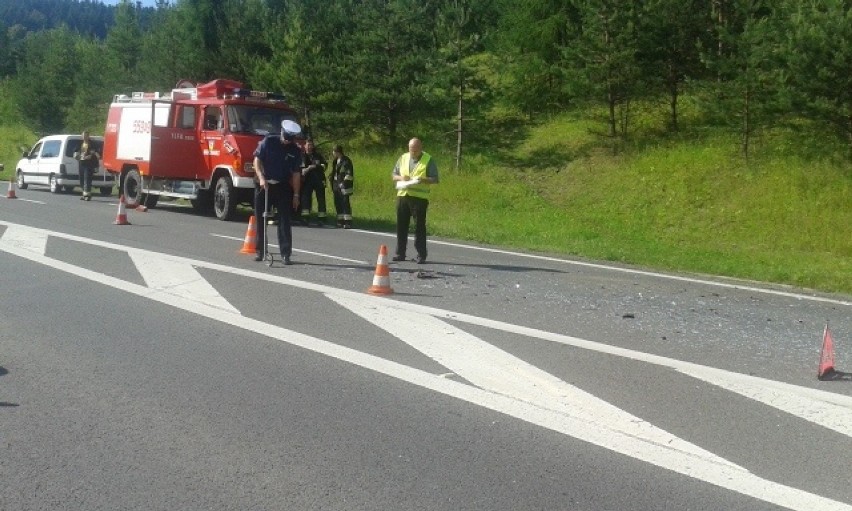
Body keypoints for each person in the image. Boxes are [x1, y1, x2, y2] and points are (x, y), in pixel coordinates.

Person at [253, 120, 303, 265]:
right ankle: (261, 251)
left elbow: (296, 174)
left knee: (284, 220)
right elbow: (257, 160)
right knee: (261, 218)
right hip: (264, 184)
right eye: (285, 138)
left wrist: (296, 195)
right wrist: (261, 177)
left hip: (281, 185)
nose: (287, 142)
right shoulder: (269, 141)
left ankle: (285, 254)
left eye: (290, 140)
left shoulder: (295, 150)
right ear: (282, 133)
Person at [391, 137, 438, 264]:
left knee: (419, 227)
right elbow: (393, 175)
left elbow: (435, 179)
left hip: (419, 199)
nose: (413, 153)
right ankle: (400, 253)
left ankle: (421, 255)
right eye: (411, 150)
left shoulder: (428, 159)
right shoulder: (403, 157)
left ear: (420, 148)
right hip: (403, 195)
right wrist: (402, 177)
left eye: (416, 150)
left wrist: (423, 179)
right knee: (401, 226)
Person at [298, 139, 328, 226]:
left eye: (311, 145)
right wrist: (305, 170)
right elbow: (299, 168)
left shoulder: (318, 156)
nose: (310, 147)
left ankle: (322, 219)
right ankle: (305, 218)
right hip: (307, 181)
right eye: (308, 145)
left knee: (321, 199)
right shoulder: (302, 156)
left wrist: (314, 166)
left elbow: (324, 165)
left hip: (318, 180)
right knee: (305, 199)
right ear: (305, 146)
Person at [329, 144, 354, 229]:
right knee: (337, 203)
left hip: (344, 186)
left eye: (333, 151)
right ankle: (340, 221)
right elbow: (335, 172)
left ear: (337, 152)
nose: (333, 153)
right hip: (336, 184)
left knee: (345, 203)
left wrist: (343, 183)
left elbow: (349, 174)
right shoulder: (336, 161)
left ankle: (348, 222)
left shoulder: (346, 161)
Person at [77, 130, 100, 201]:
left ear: (88, 136)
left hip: (89, 164)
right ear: (82, 136)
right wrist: (76, 154)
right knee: (81, 179)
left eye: (86, 136)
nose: (84, 137)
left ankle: (88, 195)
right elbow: (75, 150)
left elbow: (97, 154)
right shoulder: (80, 143)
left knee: (87, 179)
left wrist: (91, 155)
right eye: (83, 136)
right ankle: (84, 194)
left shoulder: (92, 144)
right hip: (81, 163)